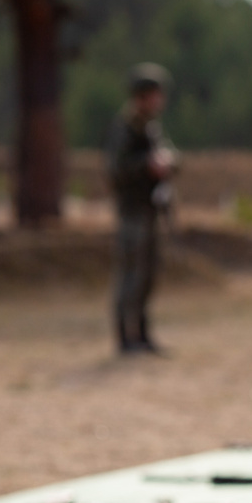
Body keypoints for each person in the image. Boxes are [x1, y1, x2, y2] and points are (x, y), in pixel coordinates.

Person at [106, 62, 177, 355]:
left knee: (147, 275)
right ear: (141, 96)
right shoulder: (125, 128)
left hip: (149, 211)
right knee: (131, 276)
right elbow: (116, 170)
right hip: (132, 211)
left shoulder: (151, 128)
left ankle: (143, 335)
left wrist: (168, 162)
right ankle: (125, 337)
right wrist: (145, 166)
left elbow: (172, 156)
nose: (159, 100)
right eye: (154, 95)